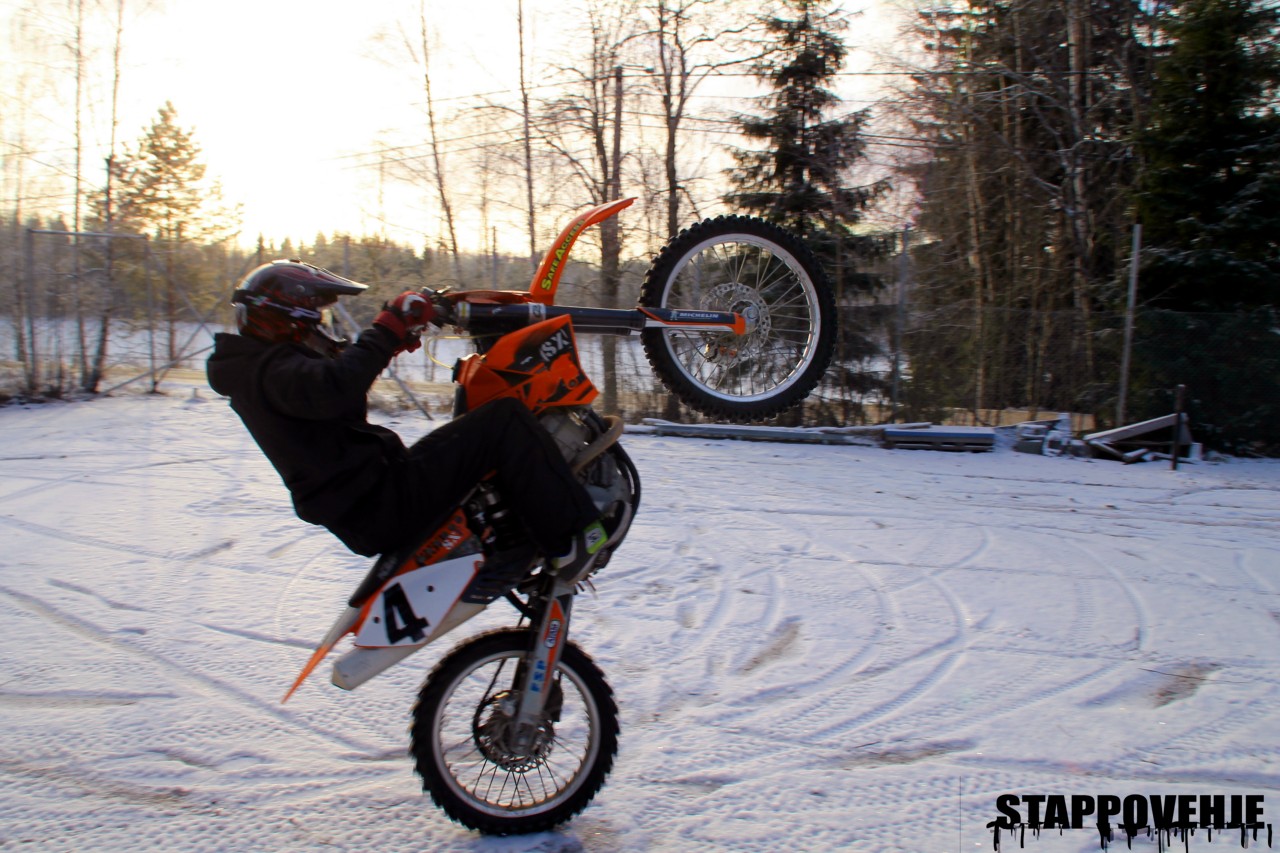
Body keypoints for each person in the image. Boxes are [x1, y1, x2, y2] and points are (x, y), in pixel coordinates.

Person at [205, 259, 608, 577]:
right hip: (382, 504)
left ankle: (525, 531)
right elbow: (334, 386)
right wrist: (388, 328)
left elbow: (331, 385)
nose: (324, 329)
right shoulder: (269, 372)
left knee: (472, 432)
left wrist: (392, 341)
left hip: (375, 499)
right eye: (319, 319)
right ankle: (575, 539)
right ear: (288, 320)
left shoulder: (259, 372)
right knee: (504, 420)